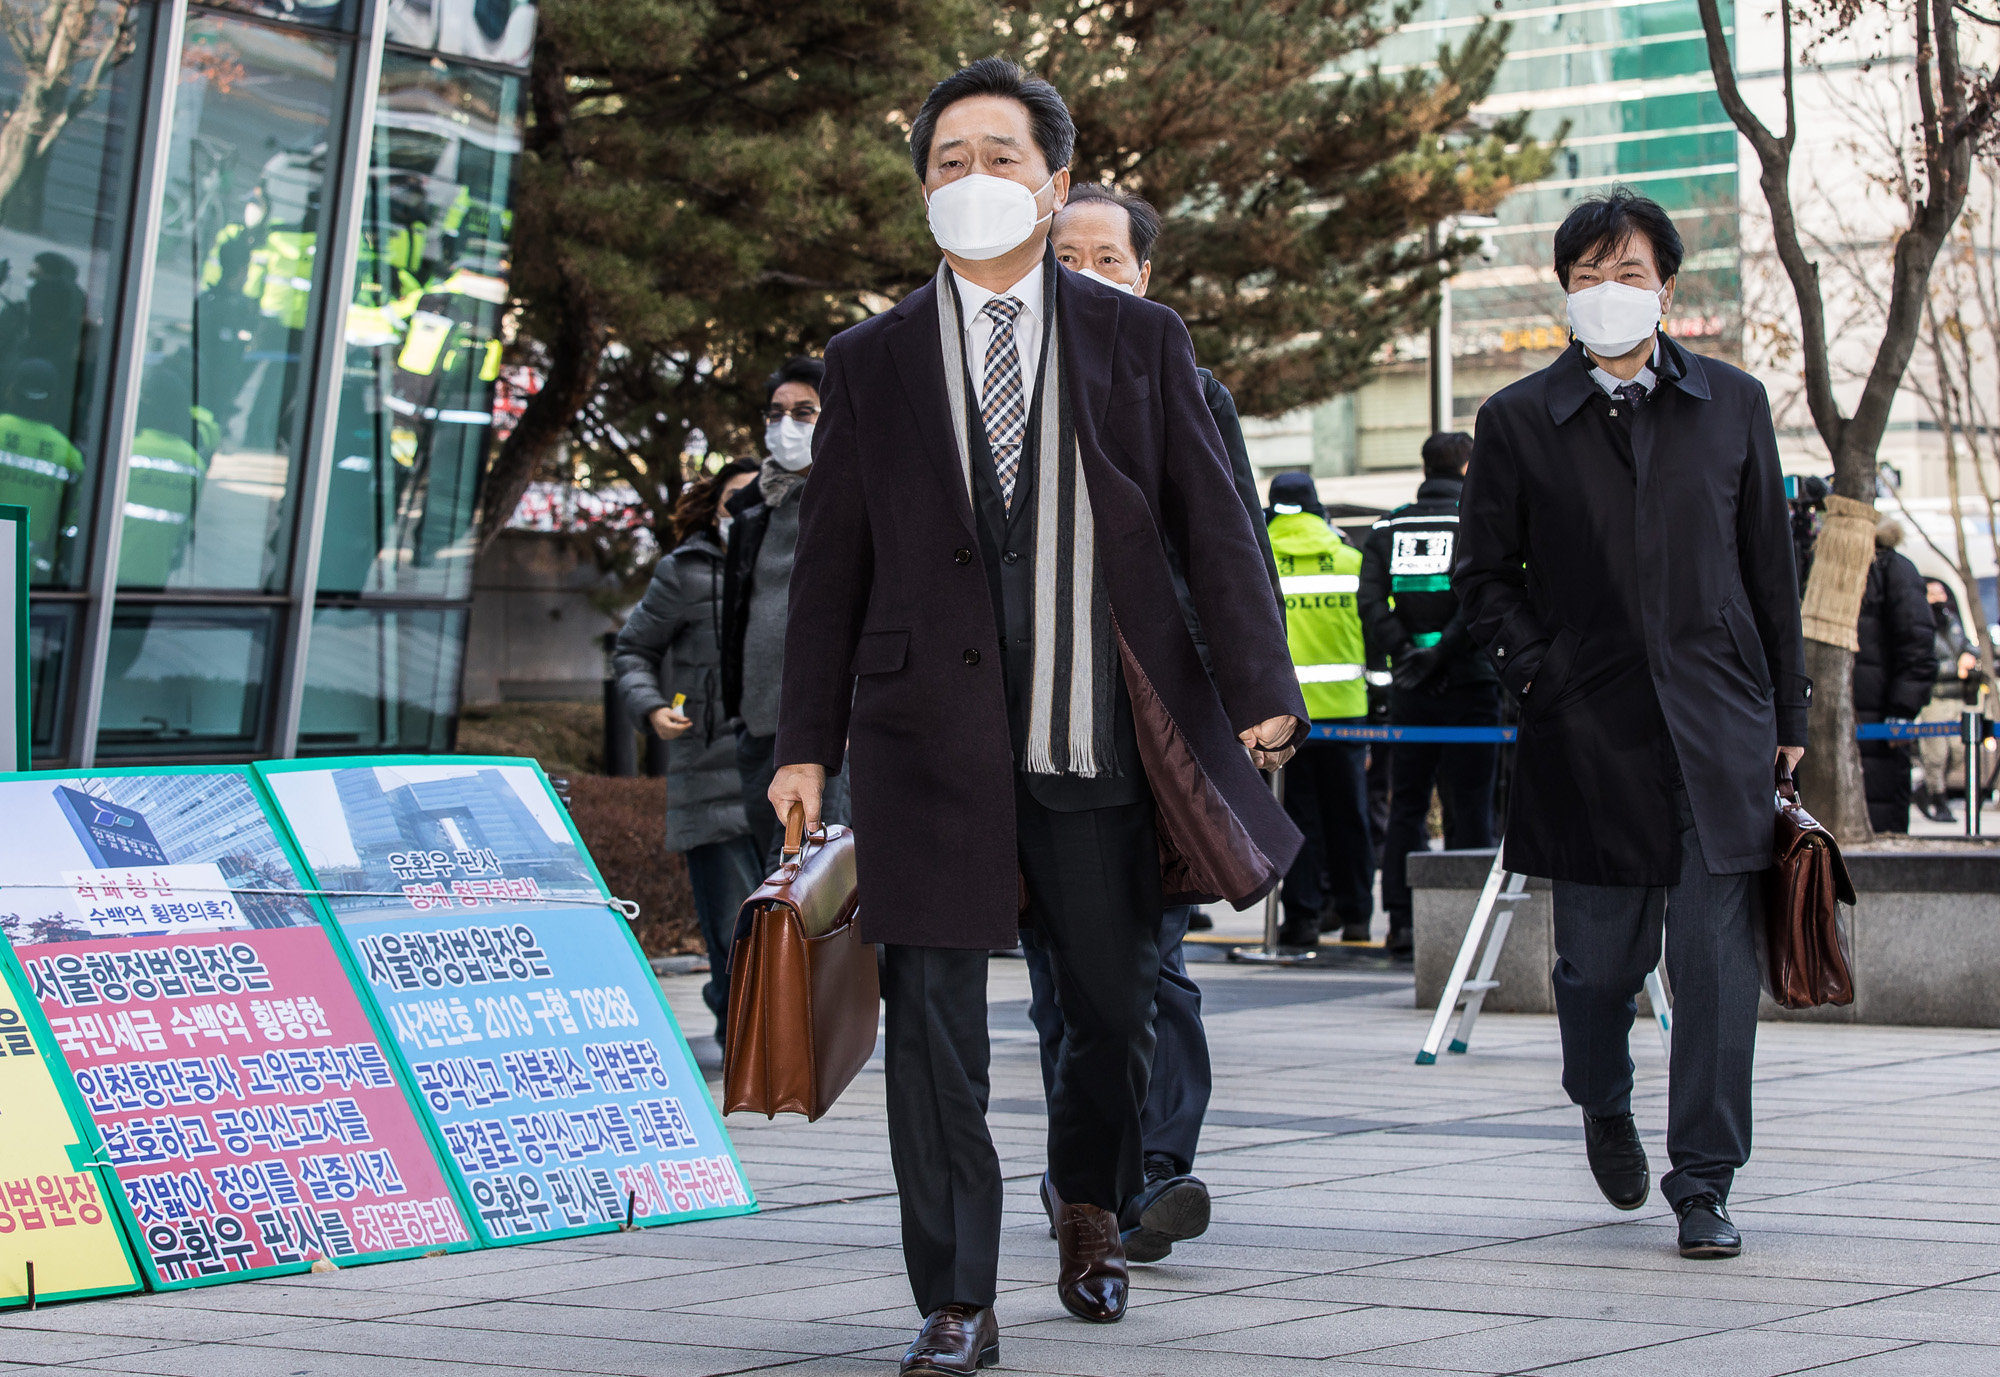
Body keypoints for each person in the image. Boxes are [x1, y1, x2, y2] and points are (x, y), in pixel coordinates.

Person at [768, 58, 1306, 1375]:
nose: (973, 179)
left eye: (999, 156)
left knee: (1113, 1013)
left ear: (1054, 182)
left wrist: (1262, 692)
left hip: (1092, 734)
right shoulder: (870, 359)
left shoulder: (1139, 339)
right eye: (947, 161)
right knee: (932, 1032)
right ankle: (955, 1294)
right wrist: (804, 743)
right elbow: (829, 567)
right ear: (922, 191)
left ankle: (1089, 1211)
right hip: (923, 744)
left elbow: (1214, 526)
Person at [1455, 188, 1809, 1262]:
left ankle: (1703, 1180)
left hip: (1718, 729)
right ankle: (1600, 1098)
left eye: (1628, 272)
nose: (1607, 291)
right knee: (1596, 971)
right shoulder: (1517, 419)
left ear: (1667, 287)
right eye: (1587, 275)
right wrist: (1544, 674)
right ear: (1563, 290)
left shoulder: (1732, 404)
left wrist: (1786, 708)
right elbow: (1482, 580)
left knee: (1715, 972)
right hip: (1587, 732)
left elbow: (1768, 568)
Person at [1010, 182, 1276, 1263]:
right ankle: (1086, 1174)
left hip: (1156, 727)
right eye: (1062, 259)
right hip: (1031, 724)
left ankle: (1154, 1169)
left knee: (1150, 957)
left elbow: (1231, 548)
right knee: (1058, 974)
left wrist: (1251, 703)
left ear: (1145, 276)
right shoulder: (994, 395)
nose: (1083, 276)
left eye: (1106, 260)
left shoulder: (1187, 387)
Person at [613, 460, 764, 1045]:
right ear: (713, 504)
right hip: (710, 773)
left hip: (786, 773)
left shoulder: (795, 561)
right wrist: (652, 708)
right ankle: (743, 1045)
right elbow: (633, 651)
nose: (745, 508)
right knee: (734, 927)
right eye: (734, 497)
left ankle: (772, 1044)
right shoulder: (684, 572)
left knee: (787, 928)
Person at [1359, 431, 1503, 958]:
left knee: (1407, 806)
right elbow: (1484, 596)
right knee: (1472, 806)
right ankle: (1470, 928)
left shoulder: (1388, 527)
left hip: (1411, 689)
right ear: (1467, 468)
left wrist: (1410, 655)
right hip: (1470, 684)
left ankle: (1401, 922)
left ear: (1425, 469)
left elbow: (1370, 601)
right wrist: (1443, 653)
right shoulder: (1478, 521)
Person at [721, 357, 850, 867]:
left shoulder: (853, 498)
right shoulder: (751, 512)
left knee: (817, 877)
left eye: (803, 411)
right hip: (758, 726)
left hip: (827, 733)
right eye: (776, 413)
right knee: (774, 876)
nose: (785, 425)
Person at [1265, 470, 1373, 949]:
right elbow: (1374, 630)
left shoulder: (1259, 557)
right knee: (1350, 815)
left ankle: (1302, 918)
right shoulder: (1349, 557)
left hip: (1284, 713)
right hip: (1347, 709)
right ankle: (1356, 916)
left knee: (1296, 817)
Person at [1853, 519, 1935, 833]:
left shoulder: (1891, 568)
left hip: (1879, 721)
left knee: (1881, 817)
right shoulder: (1818, 563)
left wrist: (1902, 710)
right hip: (1846, 719)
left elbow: (1917, 644)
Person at [1915, 578, 1982, 822]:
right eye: (1932, 594)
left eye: (1940, 592)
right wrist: (1955, 668)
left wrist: (1969, 655)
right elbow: (1923, 663)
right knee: (1936, 754)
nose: (1938, 598)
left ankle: (1925, 788)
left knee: (1958, 751)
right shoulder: (1920, 625)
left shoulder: (1952, 621)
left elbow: (1969, 646)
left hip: (1957, 698)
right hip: (1935, 699)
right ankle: (1938, 799)